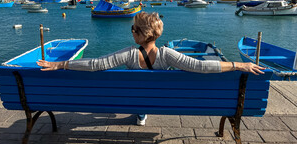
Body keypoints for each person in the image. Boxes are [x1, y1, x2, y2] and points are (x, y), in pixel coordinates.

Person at [37, 11, 265, 126]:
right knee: (153, 90)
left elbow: (95, 65)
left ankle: (140, 107)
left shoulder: (128, 54)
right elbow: (201, 66)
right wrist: (238, 64)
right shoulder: (168, 55)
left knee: (137, 91)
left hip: (130, 99)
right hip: (166, 102)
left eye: (133, 28)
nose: (131, 31)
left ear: (140, 34)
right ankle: (145, 105)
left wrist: (61, 64)